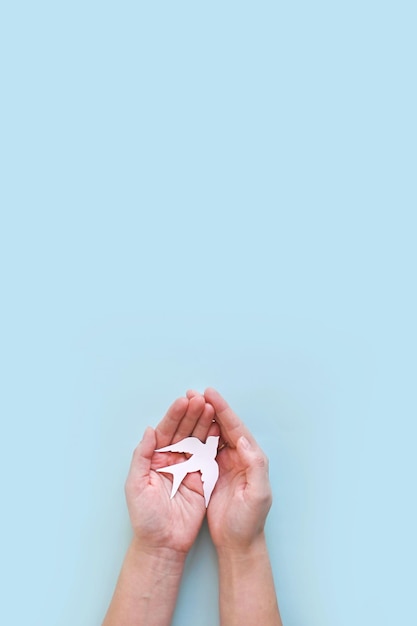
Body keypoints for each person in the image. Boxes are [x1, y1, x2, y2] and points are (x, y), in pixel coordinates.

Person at [102, 388, 283, 626]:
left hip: (196, 472)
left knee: (179, 470)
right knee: (177, 469)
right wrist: (158, 547)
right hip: (191, 470)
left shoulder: (210, 466)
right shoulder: (200, 455)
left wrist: (241, 546)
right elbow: (176, 450)